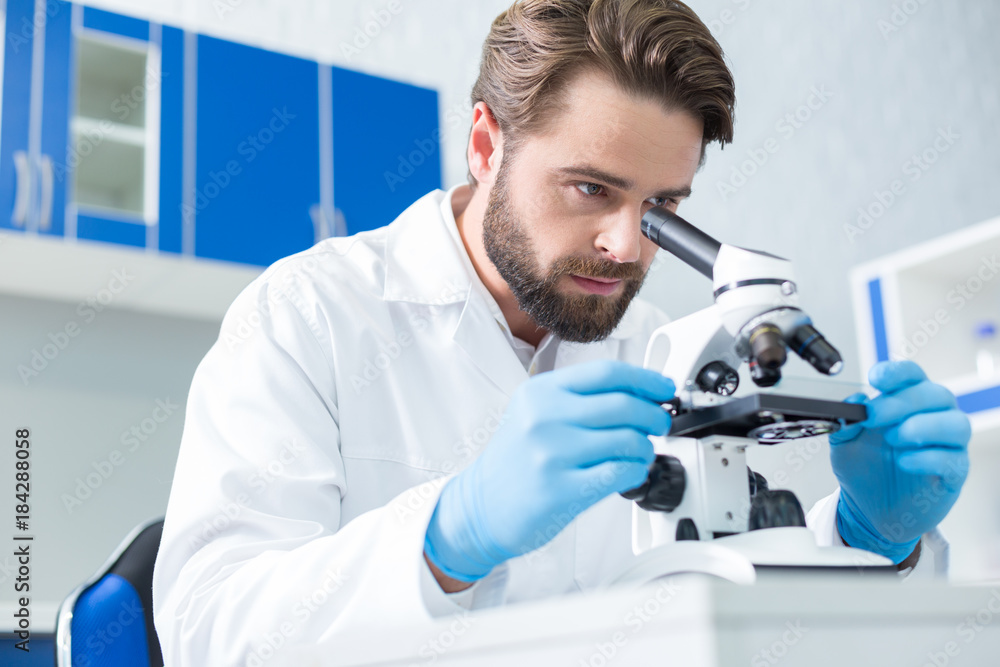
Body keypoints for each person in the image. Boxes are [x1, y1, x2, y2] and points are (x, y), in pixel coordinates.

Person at [152, 0, 971, 664]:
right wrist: (447, 535)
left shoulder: (657, 344)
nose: (626, 245)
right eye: (588, 188)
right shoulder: (309, 316)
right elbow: (210, 631)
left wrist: (872, 538)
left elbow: (747, 611)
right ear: (485, 145)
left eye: (663, 208)